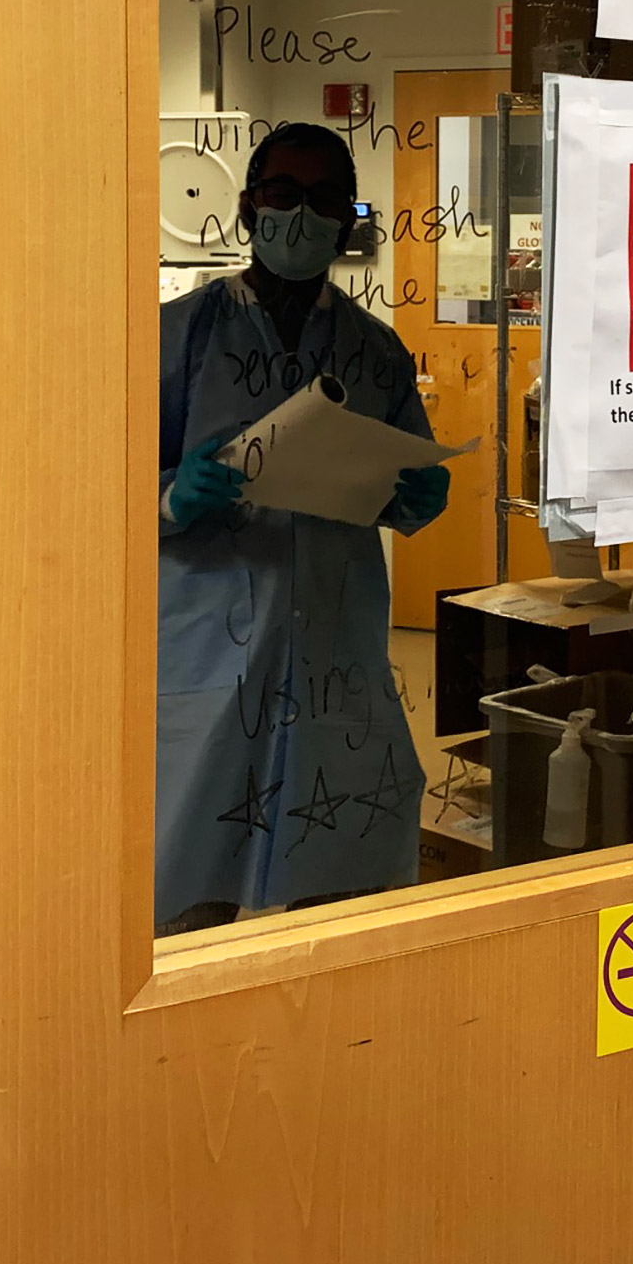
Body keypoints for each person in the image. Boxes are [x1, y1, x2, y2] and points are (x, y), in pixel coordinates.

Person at [156, 122, 452, 935]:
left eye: (323, 198)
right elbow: (93, 493)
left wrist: (416, 496)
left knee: (341, 868)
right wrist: (171, 498)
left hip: (335, 645)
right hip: (206, 644)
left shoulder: (375, 352)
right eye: (283, 192)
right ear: (249, 205)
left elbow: (400, 467)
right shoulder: (177, 338)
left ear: (347, 218)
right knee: (188, 866)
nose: (301, 213)